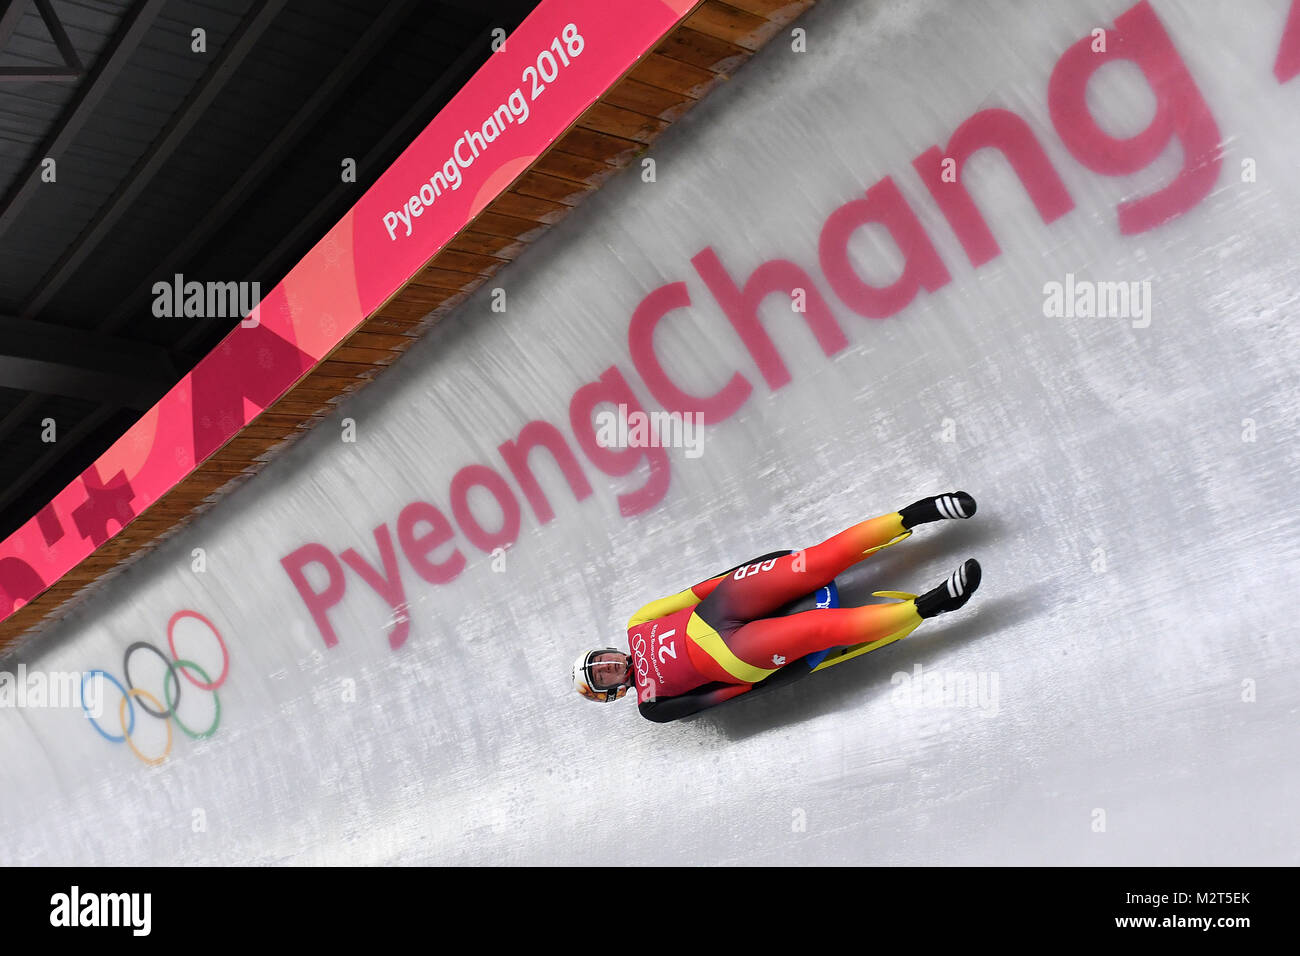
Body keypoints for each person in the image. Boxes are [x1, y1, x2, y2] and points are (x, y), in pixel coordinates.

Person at [570, 492, 982, 722]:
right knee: (819, 629)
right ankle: (931, 605)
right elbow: (725, 696)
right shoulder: (650, 705)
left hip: (717, 606)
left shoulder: (638, 623)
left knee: (816, 562)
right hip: (731, 657)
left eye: (601, 659)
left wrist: (742, 576)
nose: (609, 665)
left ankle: (917, 513)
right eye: (604, 675)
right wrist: (766, 673)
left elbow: (691, 595)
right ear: (613, 692)